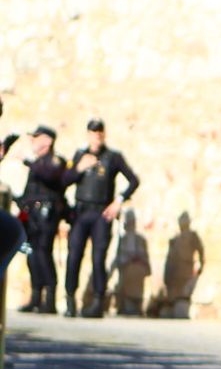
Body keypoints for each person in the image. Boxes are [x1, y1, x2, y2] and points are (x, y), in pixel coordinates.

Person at [64, 119, 140, 319]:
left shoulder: (112, 157)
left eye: (99, 132)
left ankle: (98, 301)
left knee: (98, 258)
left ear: (104, 134)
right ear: (88, 134)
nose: (96, 136)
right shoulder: (80, 155)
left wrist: (118, 202)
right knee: (74, 255)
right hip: (81, 212)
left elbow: (133, 180)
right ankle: (70, 299)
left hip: (101, 212)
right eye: (92, 132)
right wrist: (79, 168)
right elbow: (64, 180)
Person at [17, 126, 84, 314]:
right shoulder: (38, 162)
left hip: (47, 214)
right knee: (30, 253)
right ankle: (36, 296)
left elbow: (51, 177)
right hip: (31, 215)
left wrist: (29, 163)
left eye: (37, 138)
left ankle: (50, 298)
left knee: (43, 253)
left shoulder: (54, 162)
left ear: (47, 140)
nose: (33, 141)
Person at [150, 213, 206, 319]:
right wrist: (167, 277)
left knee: (183, 298)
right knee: (174, 300)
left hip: (186, 271)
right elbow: (169, 259)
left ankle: (180, 311)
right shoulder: (175, 239)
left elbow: (200, 250)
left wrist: (201, 265)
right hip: (175, 274)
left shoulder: (193, 236)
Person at [112, 210, 152, 316]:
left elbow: (145, 257)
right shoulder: (123, 240)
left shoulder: (141, 240)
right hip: (126, 270)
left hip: (138, 271)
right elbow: (119, 258)